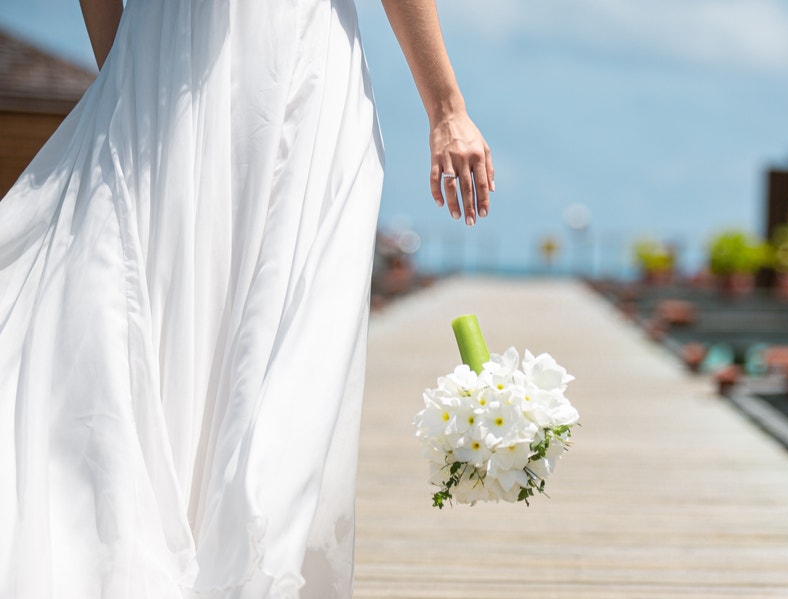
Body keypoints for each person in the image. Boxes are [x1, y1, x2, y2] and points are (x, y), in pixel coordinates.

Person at [0, 0, 492, 596]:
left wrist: (125, 71)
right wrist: (447, 108)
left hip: (161, 59)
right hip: (286, 55)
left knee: (138, 309)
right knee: (280, 338)